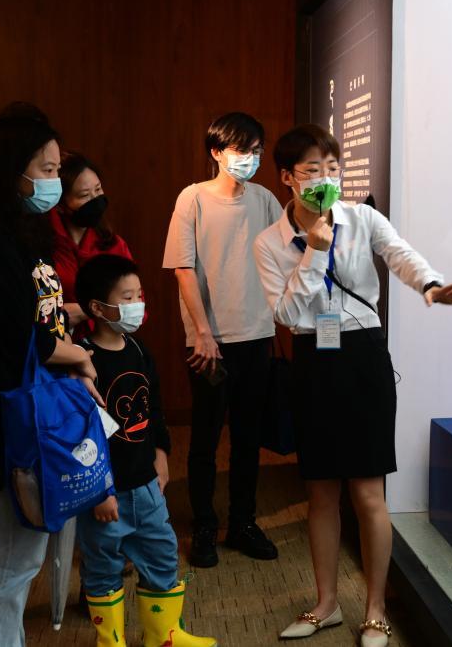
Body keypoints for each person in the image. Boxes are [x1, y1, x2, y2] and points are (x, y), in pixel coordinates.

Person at [252, 124, 452, 647]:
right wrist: (314, 252)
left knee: (369, 492)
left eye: (333, 168)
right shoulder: (269, 242)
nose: (326, 179)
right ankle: (326, 604)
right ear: (287, 178)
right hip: (312, 360)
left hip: (364, 356)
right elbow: (287, 315)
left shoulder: (362, 217)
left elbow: (399, 254)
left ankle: (375, 610)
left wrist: (430, 285)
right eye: (313, 170)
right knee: (320, 492)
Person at [0, 109, 104, 646]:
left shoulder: (14, 233)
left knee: (18, 558)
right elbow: (20, 339)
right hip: (5, 422)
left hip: (19, 412)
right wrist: (79, 359)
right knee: (9, 561)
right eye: (48, 169)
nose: (55, 181)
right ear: (12, 170)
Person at [75, 254, 216, 647]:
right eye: (127, 297)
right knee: (103, 566)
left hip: (146, 484)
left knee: (162, 552)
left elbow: (153, 408)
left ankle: (163, 635)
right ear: (97, 308)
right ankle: (111, 641)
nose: (137, 304)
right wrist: (100, 490)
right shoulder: (82, 359)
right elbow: (81, 433)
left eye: (139, 295)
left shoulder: (138, 349)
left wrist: (162, 453)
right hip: (105, 492)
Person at [163, 111, 283, 567]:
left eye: (256, 151)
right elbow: (183, 269)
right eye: (241, 150)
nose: (250, 158)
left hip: (257, 336)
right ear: (216, 152)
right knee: (206, 437)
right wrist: (202, 333)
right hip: (208, 342)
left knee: (248, 436)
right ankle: (204, 526)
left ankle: (243, 522)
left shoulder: (265, 199)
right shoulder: (192, 198)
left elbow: (287, 251)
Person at [50, 151, 137, 335]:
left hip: (105, 344)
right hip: (57, 344)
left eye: (98, 190)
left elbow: (136, 308)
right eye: (84, 195)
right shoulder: (43, 244)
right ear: (60, 204)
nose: (95, 200)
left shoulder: (113, 244)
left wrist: (85, 311)